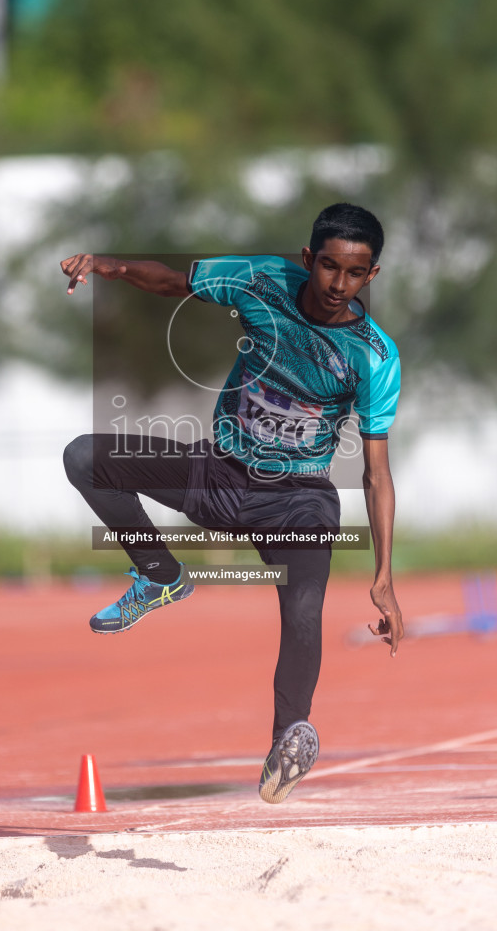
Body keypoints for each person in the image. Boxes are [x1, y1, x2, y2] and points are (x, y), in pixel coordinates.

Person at [61, 201, 404, 805]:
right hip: (218, 471)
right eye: (329, 268)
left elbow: (376, 474)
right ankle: (160, 575)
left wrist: (384, 578)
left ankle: (286, 744)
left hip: (298, 500)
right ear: (308, 259)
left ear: (370, 276)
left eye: (355, 274)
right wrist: (108, 266)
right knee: (85, 457)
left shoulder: (373, 357)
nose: (338, 285)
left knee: (302, 614)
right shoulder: (261, 280)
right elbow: (172, 281)